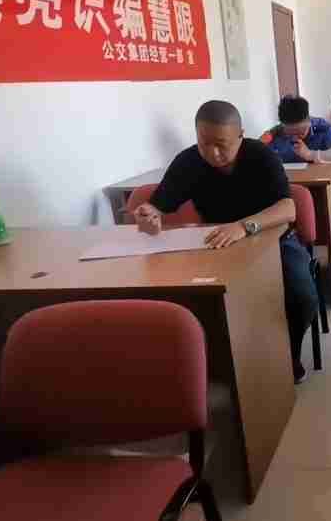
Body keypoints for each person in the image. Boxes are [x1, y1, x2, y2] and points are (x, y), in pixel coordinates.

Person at [133, 100, 318, 383]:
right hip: (215, 245)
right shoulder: (188, 161)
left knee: (301, 295)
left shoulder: (261, 156)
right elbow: (158, 206)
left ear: (240, 136)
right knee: (185, 297)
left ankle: (286, 357)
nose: (213, 153)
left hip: (274, 240)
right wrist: (149, 215)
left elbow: (288, 209)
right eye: (204, 143)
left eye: (222, 144)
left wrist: (244, 227)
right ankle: (215, 366)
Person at [263, 95, 331, 275]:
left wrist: (311, 155)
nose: (296, 136)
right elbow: (259, 157)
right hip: (287, 189)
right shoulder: (274, 133)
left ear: (308, 119)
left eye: (301, 130)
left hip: (323, 186)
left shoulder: (323, 127)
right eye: (290, 133)